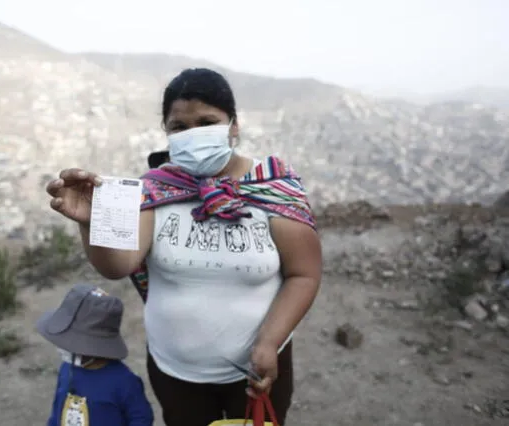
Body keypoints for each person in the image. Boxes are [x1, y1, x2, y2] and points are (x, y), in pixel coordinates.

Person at [46, 68, 322, 426]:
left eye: (207, 121)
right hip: (175, 373)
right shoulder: (155, 190)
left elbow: (304, 274)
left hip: (259, 367)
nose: (193, 135)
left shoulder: (270, 189)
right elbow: (118, 265)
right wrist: (90, 223)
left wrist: (269, 342)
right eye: (179, 127)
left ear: (233, 126)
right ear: (167, 133)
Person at [36, 284, 154, 426]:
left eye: (69, 339)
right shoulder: (67, 369)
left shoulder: (124, 382)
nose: (62, 347)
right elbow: (57, 412)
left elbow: (141, 419)